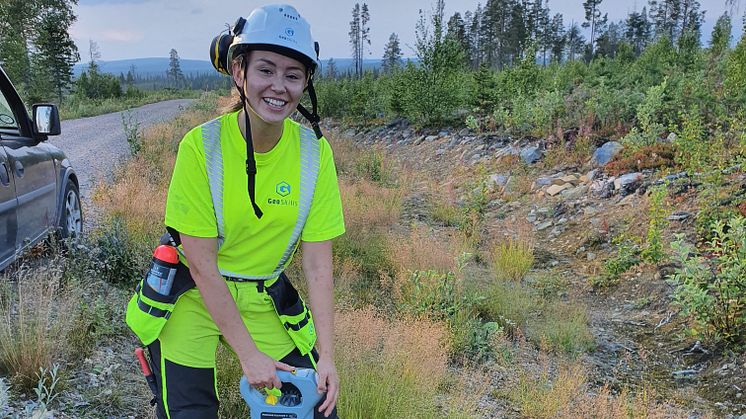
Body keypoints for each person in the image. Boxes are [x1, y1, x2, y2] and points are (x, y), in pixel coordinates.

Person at [125, 4, 344, 418]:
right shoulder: (200, 147)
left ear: (306, 84)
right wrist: (248, 355)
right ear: (239, 71)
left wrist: (328, 357)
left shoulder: (315, 155)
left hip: (263, 296)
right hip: (193, 296)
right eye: (266, 69)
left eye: (292, 75)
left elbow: (318, 267)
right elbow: (203, 266)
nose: (279, 86)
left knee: (317, 406)